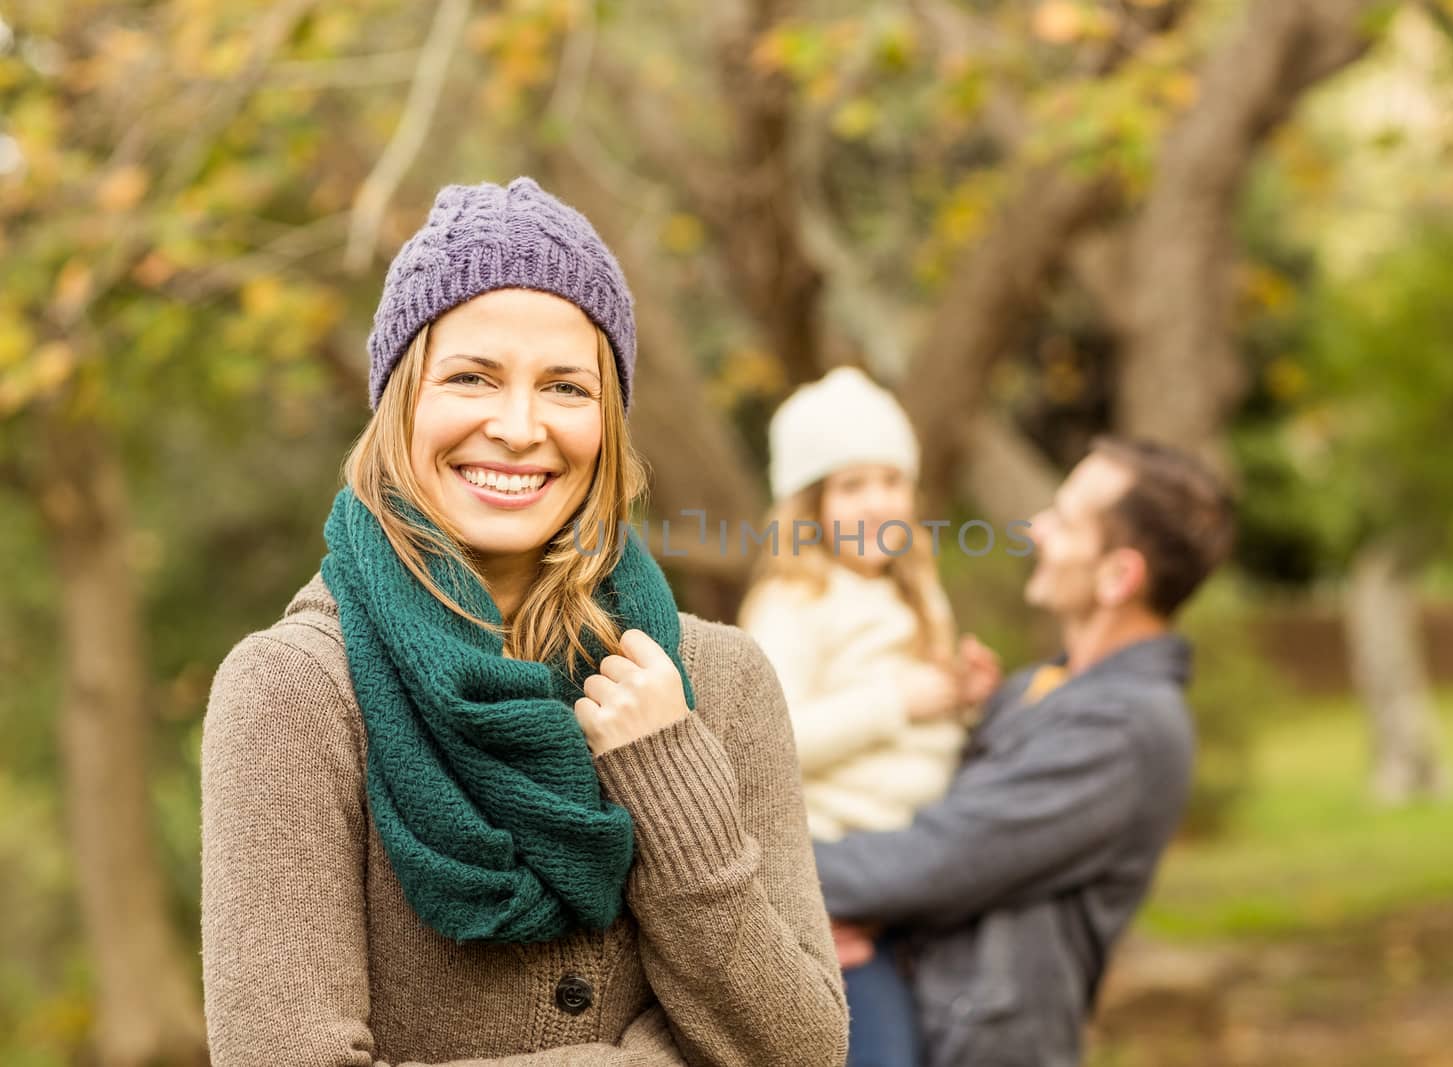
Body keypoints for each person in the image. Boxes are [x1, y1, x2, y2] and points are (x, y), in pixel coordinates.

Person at [200, 177, 848, 1066]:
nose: (518, 426)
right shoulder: (295, 691)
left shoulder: (719, 679)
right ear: (401, 402)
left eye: (566, 388)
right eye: (472, 376)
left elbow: (806, 1048)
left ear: (610, 421)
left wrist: (663, 771)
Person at [815, 437, 1235, 1067]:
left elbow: (939, 858)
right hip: (916, 1017)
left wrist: (767, 881)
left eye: (1064, 521)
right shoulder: (1041, 686)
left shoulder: (1127, 729)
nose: (1036, 529)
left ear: (1119, 576)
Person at [738, 367, 1004, 1067]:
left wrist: (960, 695)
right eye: (852, 486)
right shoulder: (794, 601)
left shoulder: (918, 596)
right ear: (811, 503)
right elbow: (768, 743)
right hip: (829, 877)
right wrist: (898, 702)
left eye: (892, 481)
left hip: (905, 881)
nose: (877, 502)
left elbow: (919, 732)